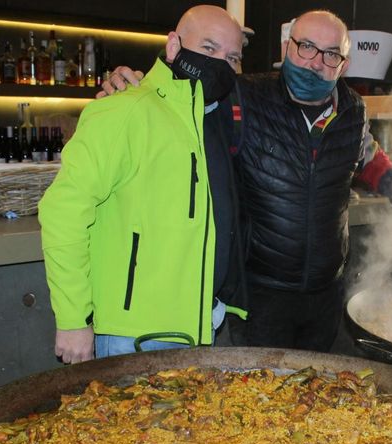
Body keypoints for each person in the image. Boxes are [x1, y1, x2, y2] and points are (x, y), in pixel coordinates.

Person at [100, 10, 392, 352]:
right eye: (307, 47)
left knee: (317, 393)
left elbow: (367, 153)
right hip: (261, 294)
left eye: (331, 54)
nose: (316, 62)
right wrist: (132, 82)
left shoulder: (352, 110)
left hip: (326, 292)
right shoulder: (241, 97)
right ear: (287, 48)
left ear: (343, 64)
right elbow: (181, 96)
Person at [39, 5, 248, 364]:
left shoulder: (215, 119)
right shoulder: (121, 112)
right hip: (133, 337)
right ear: (173, 47)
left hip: (199, 326)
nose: (220, 64)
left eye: (232, 58)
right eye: (209, 48)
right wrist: (73, 319)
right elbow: (63, 214)